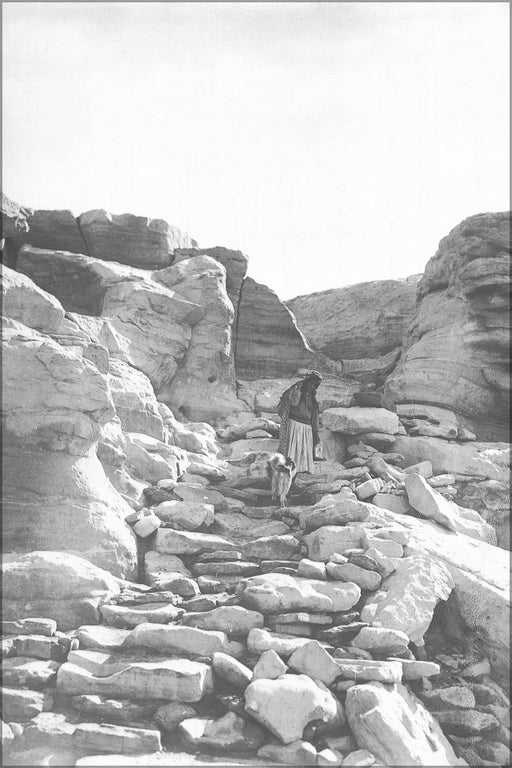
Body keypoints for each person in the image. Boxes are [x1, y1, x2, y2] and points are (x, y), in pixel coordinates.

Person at [276, 371, 323, 474]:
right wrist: (299, 389)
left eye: (315, 384)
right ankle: (290, 472)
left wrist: (315, 434)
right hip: (294, 426)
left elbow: (314, 416)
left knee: (303, 453)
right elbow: (292, 403)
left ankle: (301, 473)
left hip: (306, 429)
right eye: (311, 383)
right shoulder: (296, 390)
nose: (312, 386)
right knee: (292, 451)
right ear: (306, 382)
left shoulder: (312, 398)